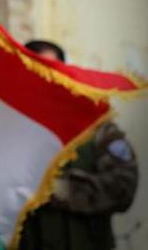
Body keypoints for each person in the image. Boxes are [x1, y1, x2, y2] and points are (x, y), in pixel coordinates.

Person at [18, 40, 139, 250]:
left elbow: (122, 187)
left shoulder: (93, 127)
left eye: (51, 69)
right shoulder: (13, 128)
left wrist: (56, 190)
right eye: (35, 69)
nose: (45, 78)